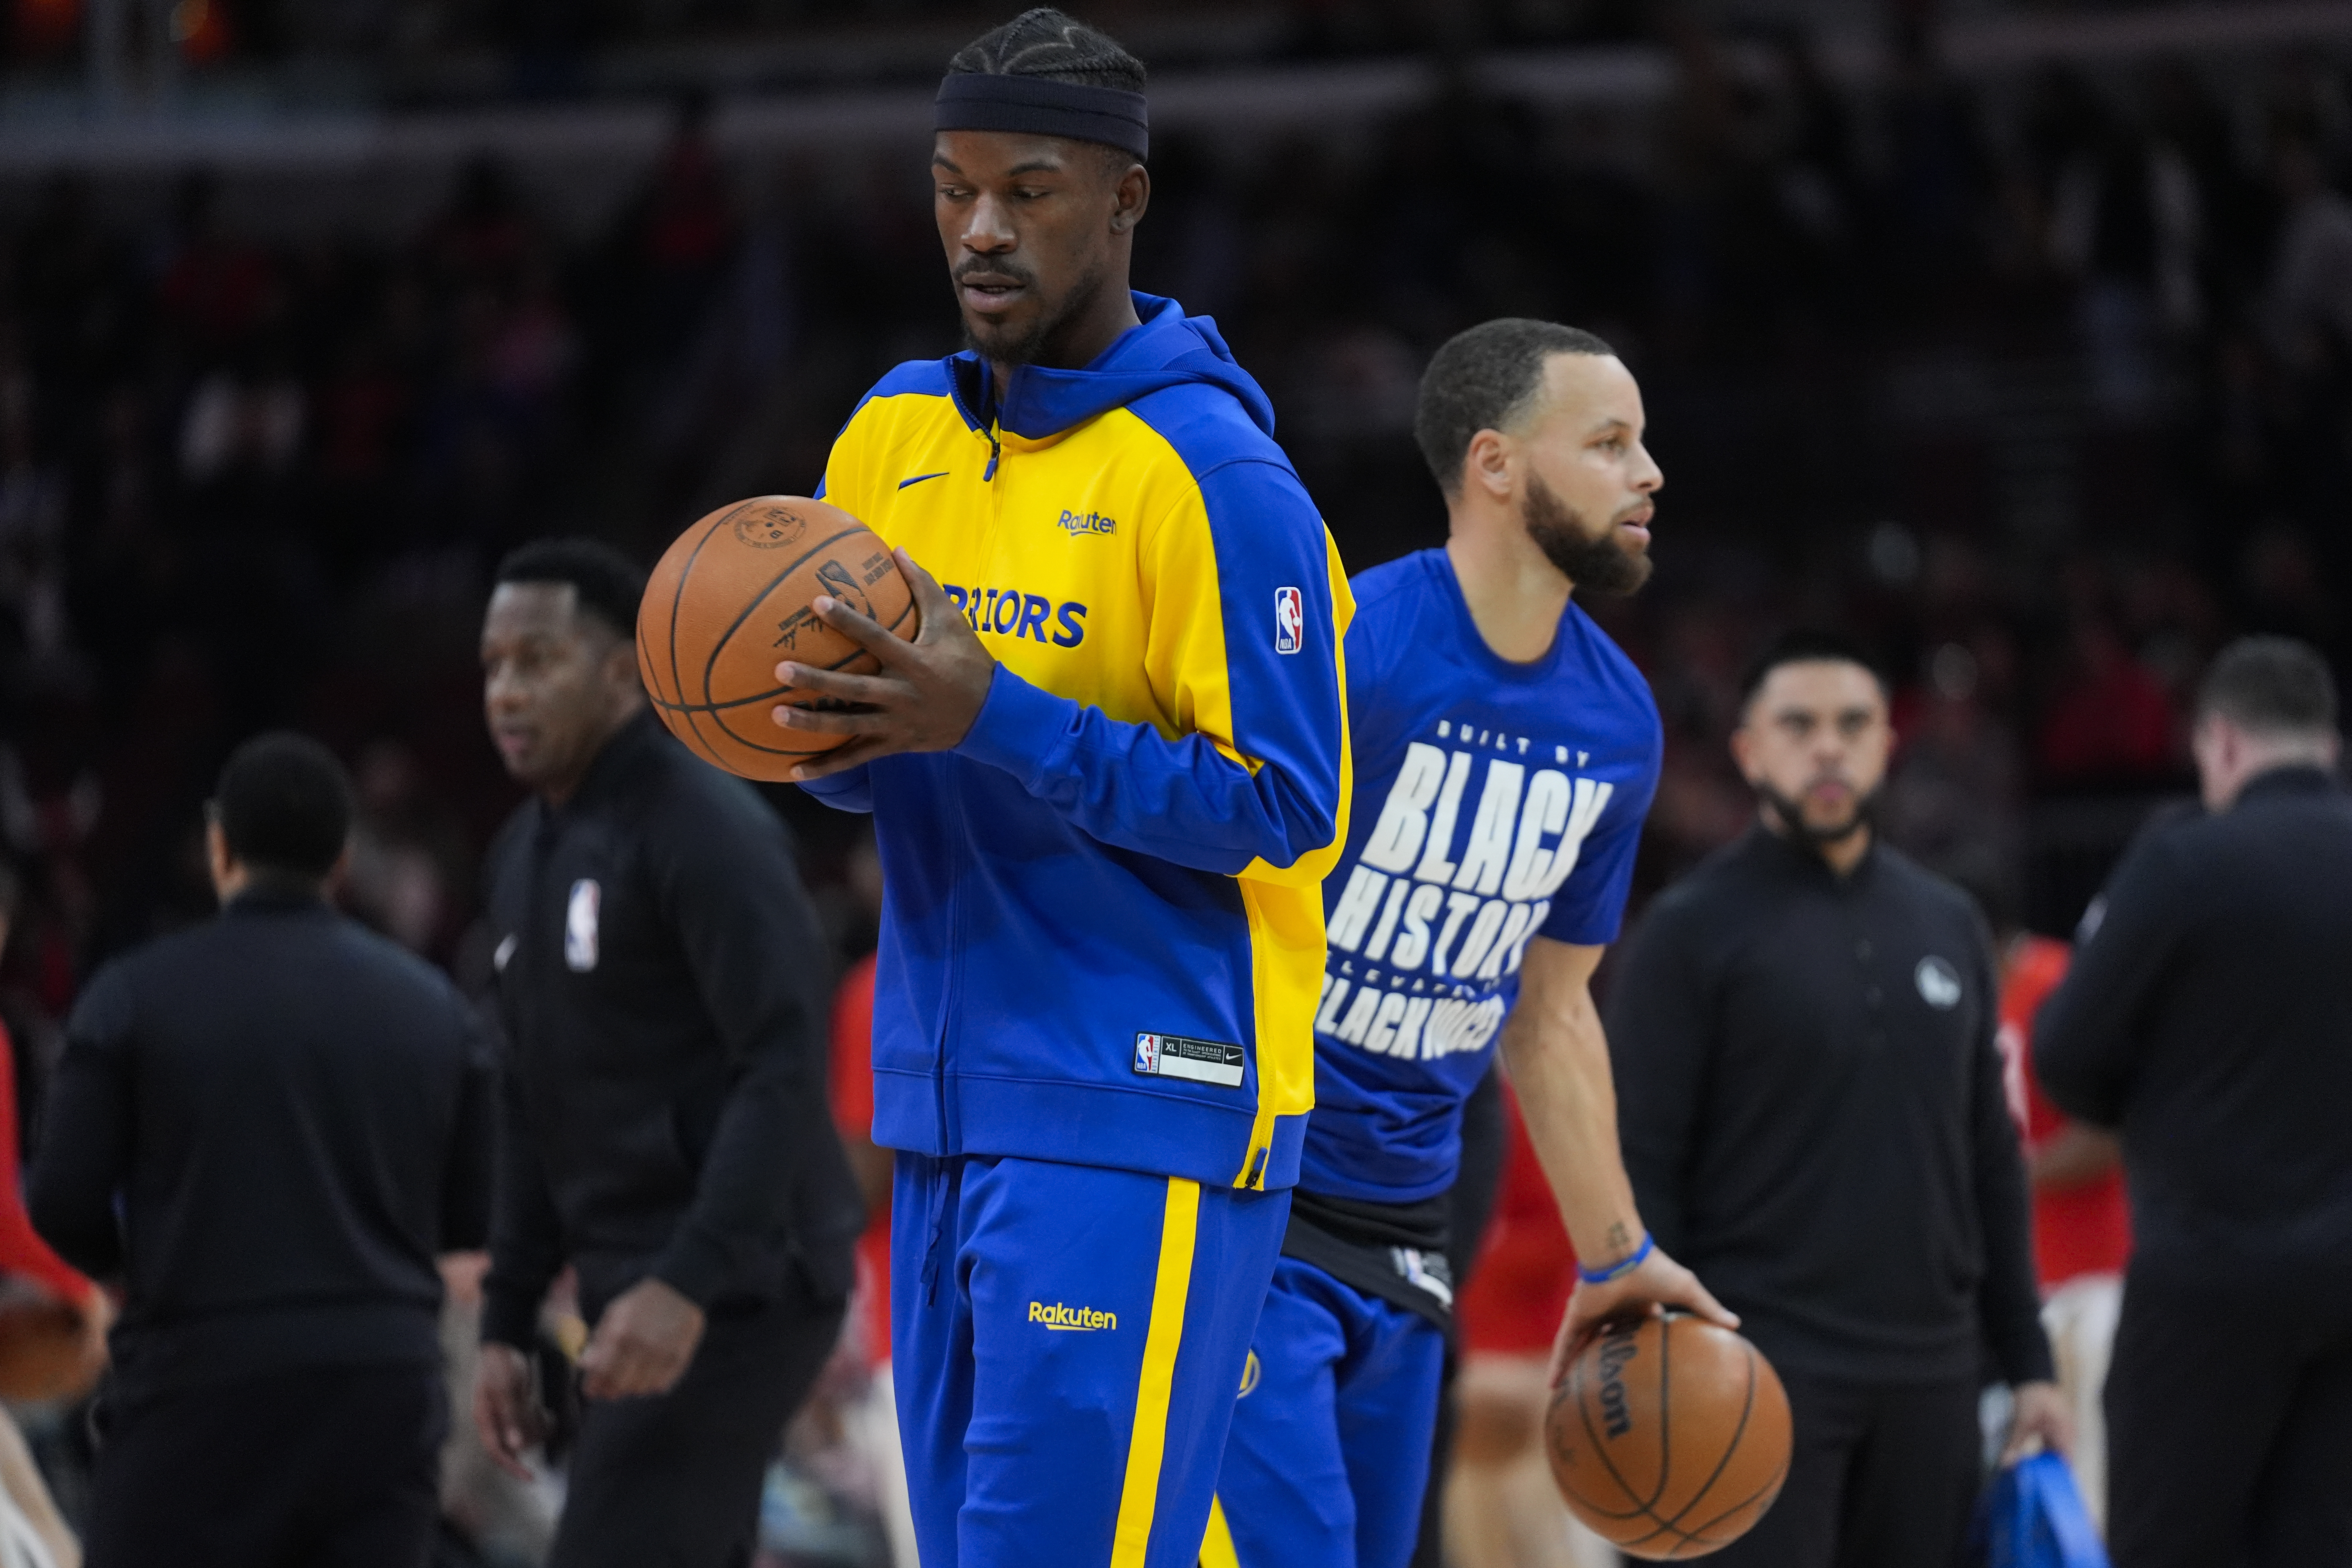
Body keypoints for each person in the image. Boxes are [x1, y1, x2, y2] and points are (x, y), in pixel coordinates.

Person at [772, 11, 1353, 1566]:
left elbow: (1289, 800)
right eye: (951, 185)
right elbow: (872, 763)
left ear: (1123, 201)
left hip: (1143, 1095)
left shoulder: (1215, 476)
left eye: (1026, 189)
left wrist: (994, 715)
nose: (977, 227)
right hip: (942, 1101)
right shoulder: (887, 431)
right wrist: (819, 740)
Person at [1201, 319, 1728, 1568]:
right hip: (1246, 1201)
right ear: (1494, 464)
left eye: (1642, 443)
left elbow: (1547, 1015)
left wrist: (1619, 1251)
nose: (1648, 472)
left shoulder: (1616, 723)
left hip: (1411, 1218)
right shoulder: (1352, 649)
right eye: (1608, 444)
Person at [1607, 630, 2069, 1568]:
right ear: (1747, 749)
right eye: (1799, 723)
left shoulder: (1948, 923)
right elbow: (1641, 1162)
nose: (1828, 746)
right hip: (1752, 1370)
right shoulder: (1684, 934)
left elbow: (1990, 1156)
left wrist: (2028, 1362)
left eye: (1852, 723)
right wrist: (1652, 1361)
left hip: (1934, 1371)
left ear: (1885, 744)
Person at [470, 538, 862, 1568]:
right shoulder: (520, 856)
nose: (506, 691)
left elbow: (782, 1059)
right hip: (634, 1278)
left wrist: (687, 1280)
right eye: (493, 664)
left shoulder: (704, 829)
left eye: (537, 661)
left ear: (618, 672)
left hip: (744, 1278)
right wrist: (506, 1317)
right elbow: (525, 1094)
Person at [28, 732, 494, 1568]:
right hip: (381, 1387)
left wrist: (148, 1266)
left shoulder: (134, 993)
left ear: (218, 847)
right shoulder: (435, 1008)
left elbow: (62, 1200)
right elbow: (475, 1213)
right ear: (343, 857)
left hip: (199, 1379)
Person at [2034, 635, 2352, 1568]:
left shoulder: (2184, 861)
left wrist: (2153, 1101)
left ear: (2217, 742)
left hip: (2207, 1273)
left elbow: (2064, 1052)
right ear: (2327, 743)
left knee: (2168, 1540)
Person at [1981, 891, 2127, 1529]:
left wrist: (2005, 1175)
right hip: (2026, 1275)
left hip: (2094, 1272)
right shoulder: (1976, 993)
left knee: (2092, 1481)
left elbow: (2107, 1129)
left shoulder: (2060, 982)